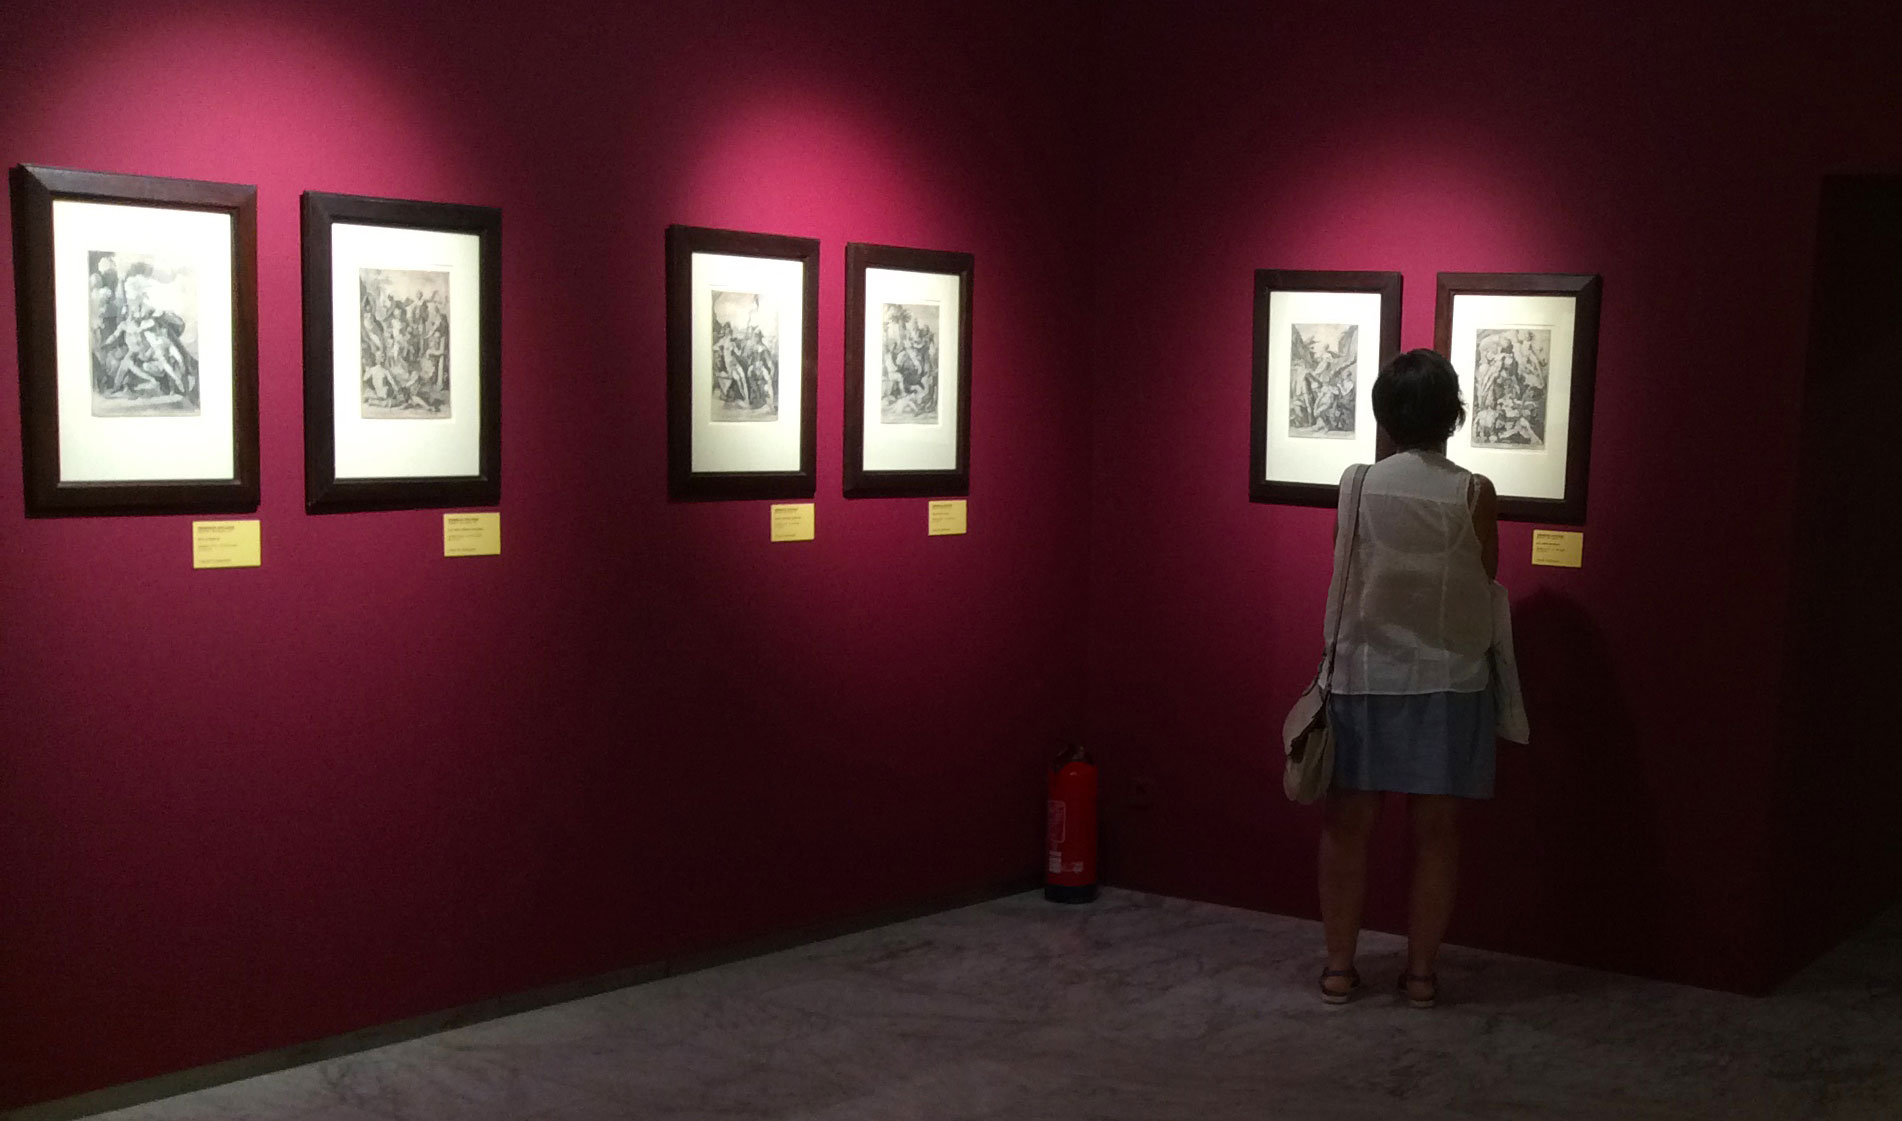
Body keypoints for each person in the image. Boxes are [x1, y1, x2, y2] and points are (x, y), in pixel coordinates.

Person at [1315, 348, 1499, 1010]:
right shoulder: (1473, 491)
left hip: (1363, 672)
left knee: (1348, 828)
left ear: (1384, 414)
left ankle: (1339, 969)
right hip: (1448, 678)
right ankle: (1420, 975)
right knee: (1437, 834)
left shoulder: (1357, 483)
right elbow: (1486, 576)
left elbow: (1347, 567)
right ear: (1452, 414)